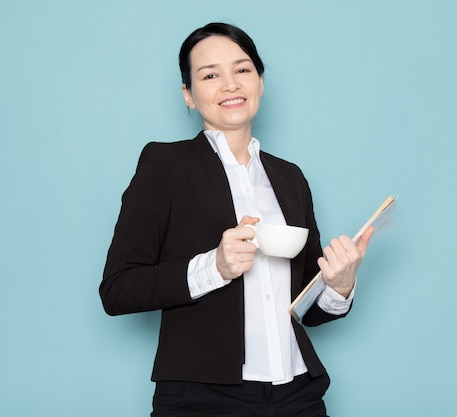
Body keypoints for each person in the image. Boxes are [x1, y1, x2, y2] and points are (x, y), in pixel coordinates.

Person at [100, 22, 374, 417]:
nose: (230, 84)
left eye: (242, 70)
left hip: (299, 394)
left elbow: (307, 311)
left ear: (260, 82)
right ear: (188, 95)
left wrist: (339, 287)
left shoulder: (290, 178)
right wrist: (215, 266)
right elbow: (117, 289)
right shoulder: (165, 165)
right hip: (203, 398)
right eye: (210, 75)